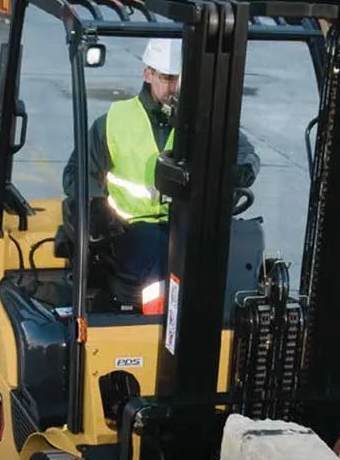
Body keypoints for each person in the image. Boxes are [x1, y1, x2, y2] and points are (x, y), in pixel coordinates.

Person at [61, 37, 260, 293]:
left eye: (179, 79)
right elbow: (76, 173)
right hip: (131, 226)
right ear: (148, 74)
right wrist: (97, 204)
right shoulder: (114, 121)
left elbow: (244, 151)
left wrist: (241, 170)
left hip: (188, 223)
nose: (174, 87)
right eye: (167, 78)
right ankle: (169, 328)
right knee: (169, 263)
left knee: (239, 258)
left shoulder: (200, 119)